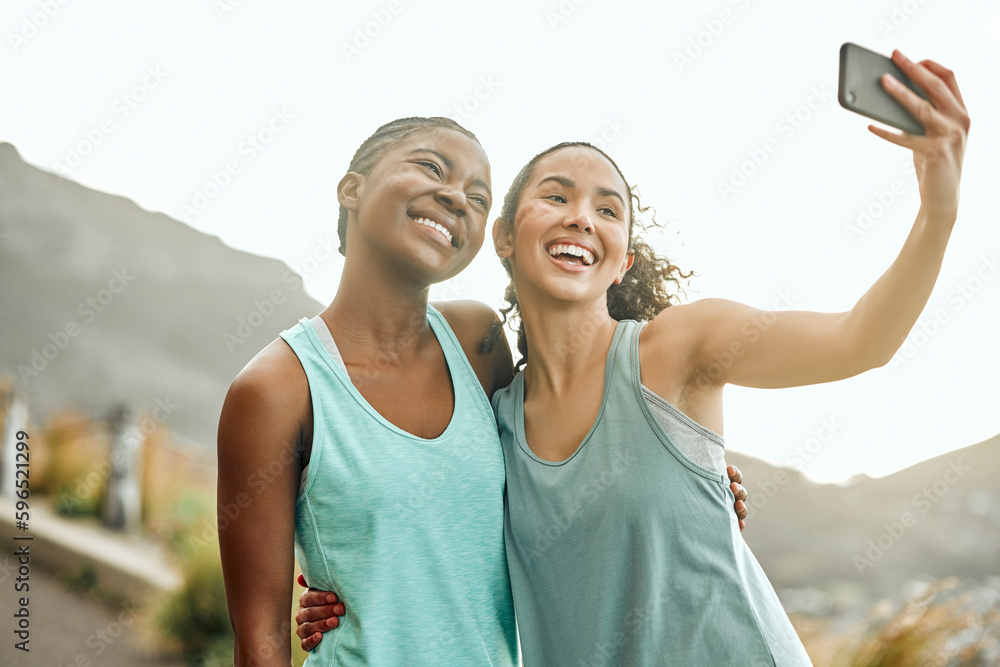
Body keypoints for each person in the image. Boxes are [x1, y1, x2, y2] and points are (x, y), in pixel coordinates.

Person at [295, 51, 970, 665]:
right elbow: (422, 527)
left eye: (607, 210)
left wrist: (937, 209)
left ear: (622, 262)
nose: (581, 216)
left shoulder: (679, 346)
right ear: (503, 236)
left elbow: (862, 340)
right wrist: (338, 591)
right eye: (555, 195)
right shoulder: (491, 422)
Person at [217, 113, 755, 665]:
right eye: (431, 167)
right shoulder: (275, 389)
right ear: (351, 187)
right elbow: (260, 639)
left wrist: (684, 484)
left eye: (478, 197)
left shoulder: (478, 343)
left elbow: (568, 447)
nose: (455, 198)